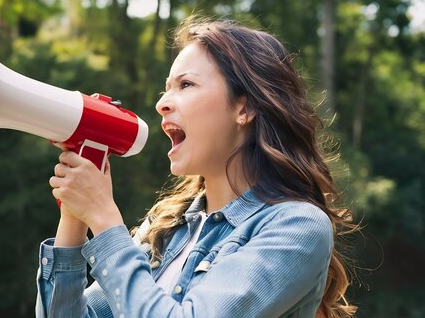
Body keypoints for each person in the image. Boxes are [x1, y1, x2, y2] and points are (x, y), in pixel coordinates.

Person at [36, 17, 358, 318]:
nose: (161, 102)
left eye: (186, 85)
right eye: (167, 88)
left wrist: (104, 218)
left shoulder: (296, 226)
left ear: (244, 107)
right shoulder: (164, 228)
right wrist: (75, 218)